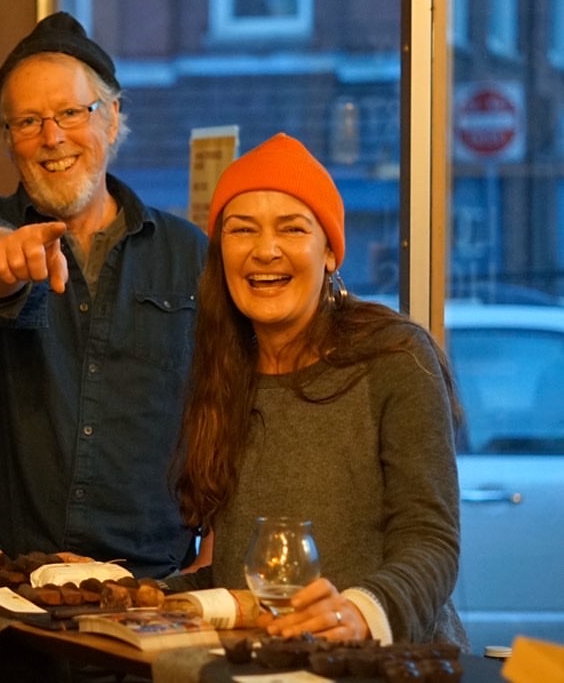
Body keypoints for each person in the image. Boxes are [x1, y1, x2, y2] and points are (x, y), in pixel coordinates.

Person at [0, 12, 207, 581]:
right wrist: (2, 256)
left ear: (112, 117)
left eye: (71, 113)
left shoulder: (188, 254)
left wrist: (212, 554)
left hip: (147, 583)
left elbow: (226, 408)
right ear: (8, 140)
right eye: (28, 121)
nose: (51, 138)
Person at [171, 132, 469, 649]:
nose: (265, 250)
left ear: (330, 251)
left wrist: (359, 612)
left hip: (390, 664)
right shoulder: (220, 371)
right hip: (266, 667)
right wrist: (125, 594)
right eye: (242, 231)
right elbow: (236, 582)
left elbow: (431, 541)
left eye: (292, 229)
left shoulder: (396, 355)